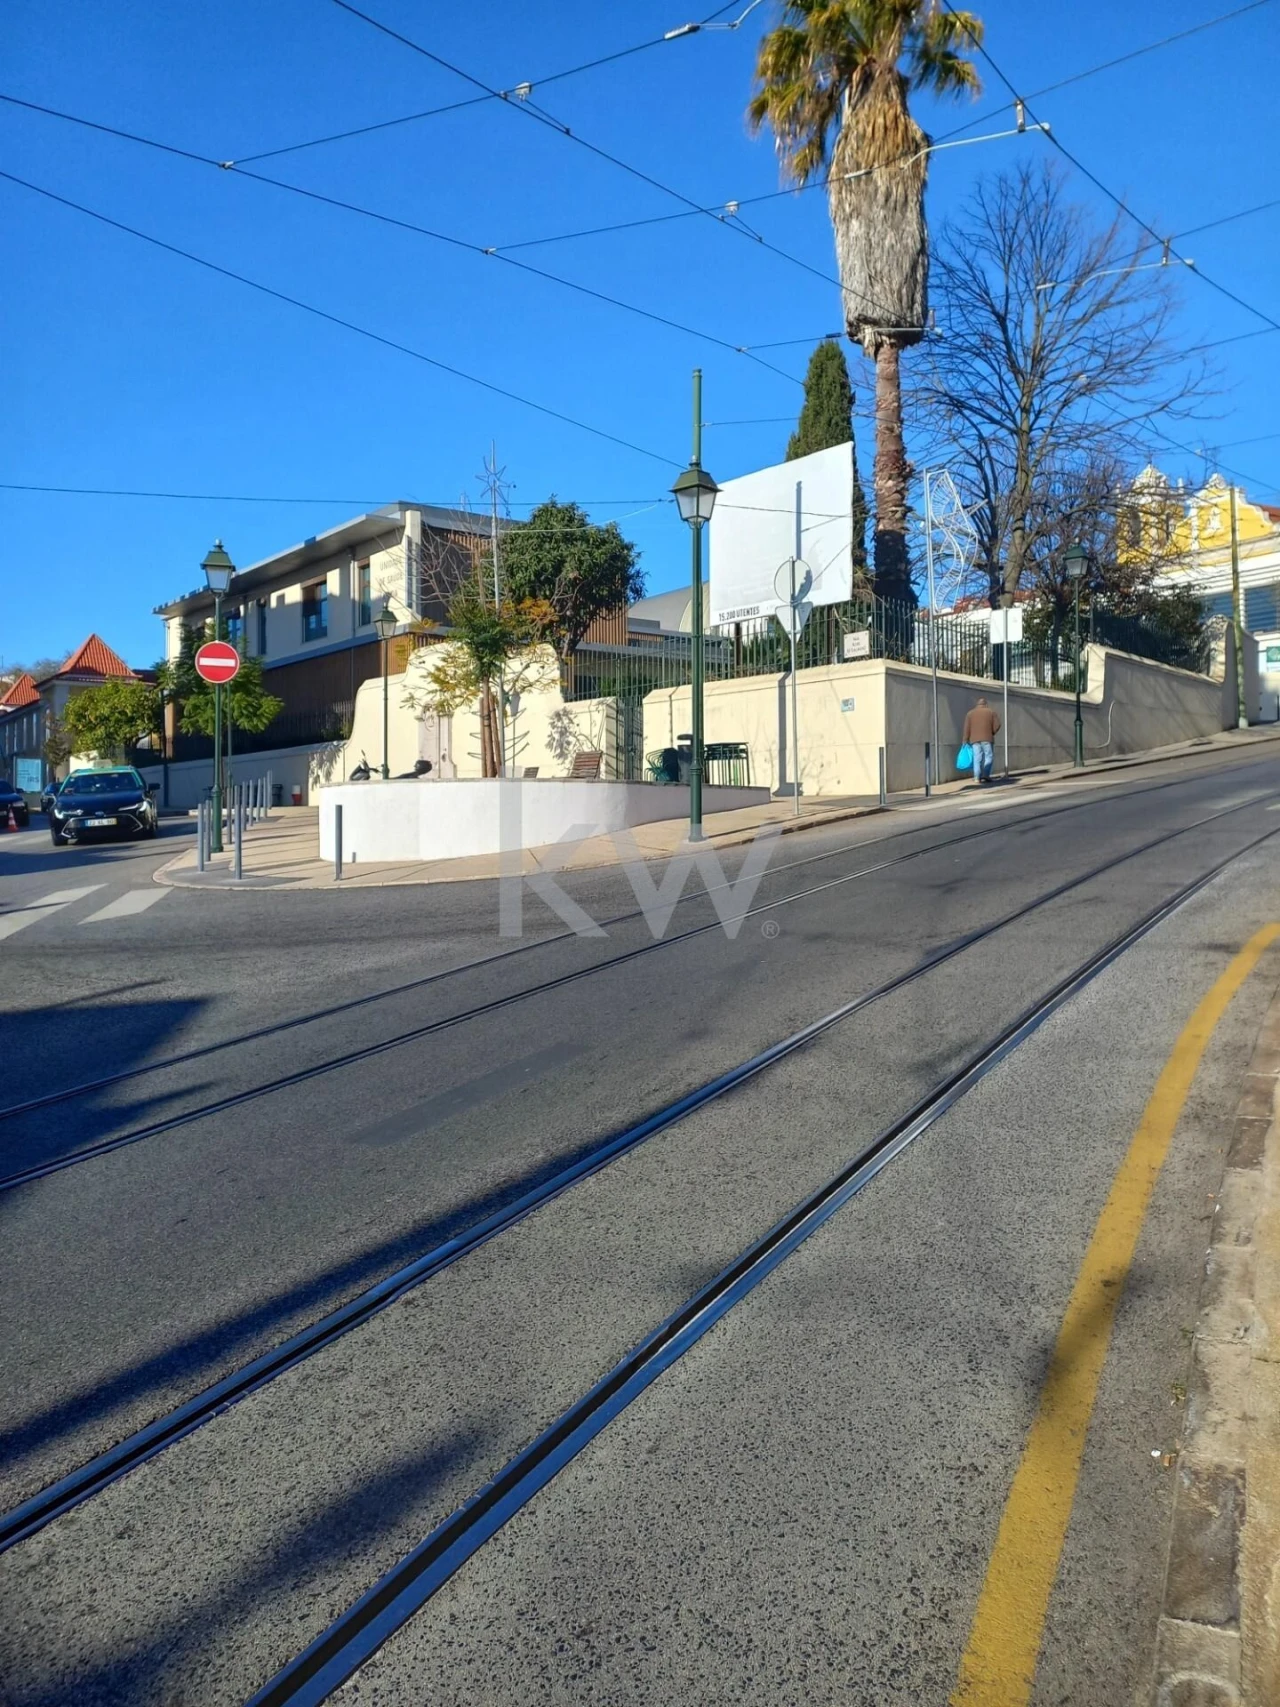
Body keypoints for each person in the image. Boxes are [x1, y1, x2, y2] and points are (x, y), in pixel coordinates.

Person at [962, 696, 1001, 785]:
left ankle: (977, 777)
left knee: (977, 758)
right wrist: (992, 732)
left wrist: (965, 740)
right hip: (987, 738)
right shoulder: (991, 712)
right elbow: (998, 724)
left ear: (977, 704)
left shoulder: (970, 713)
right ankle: (986, 775)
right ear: (986, 704)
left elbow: (966, 728)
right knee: (989, 756)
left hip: (974, 739)